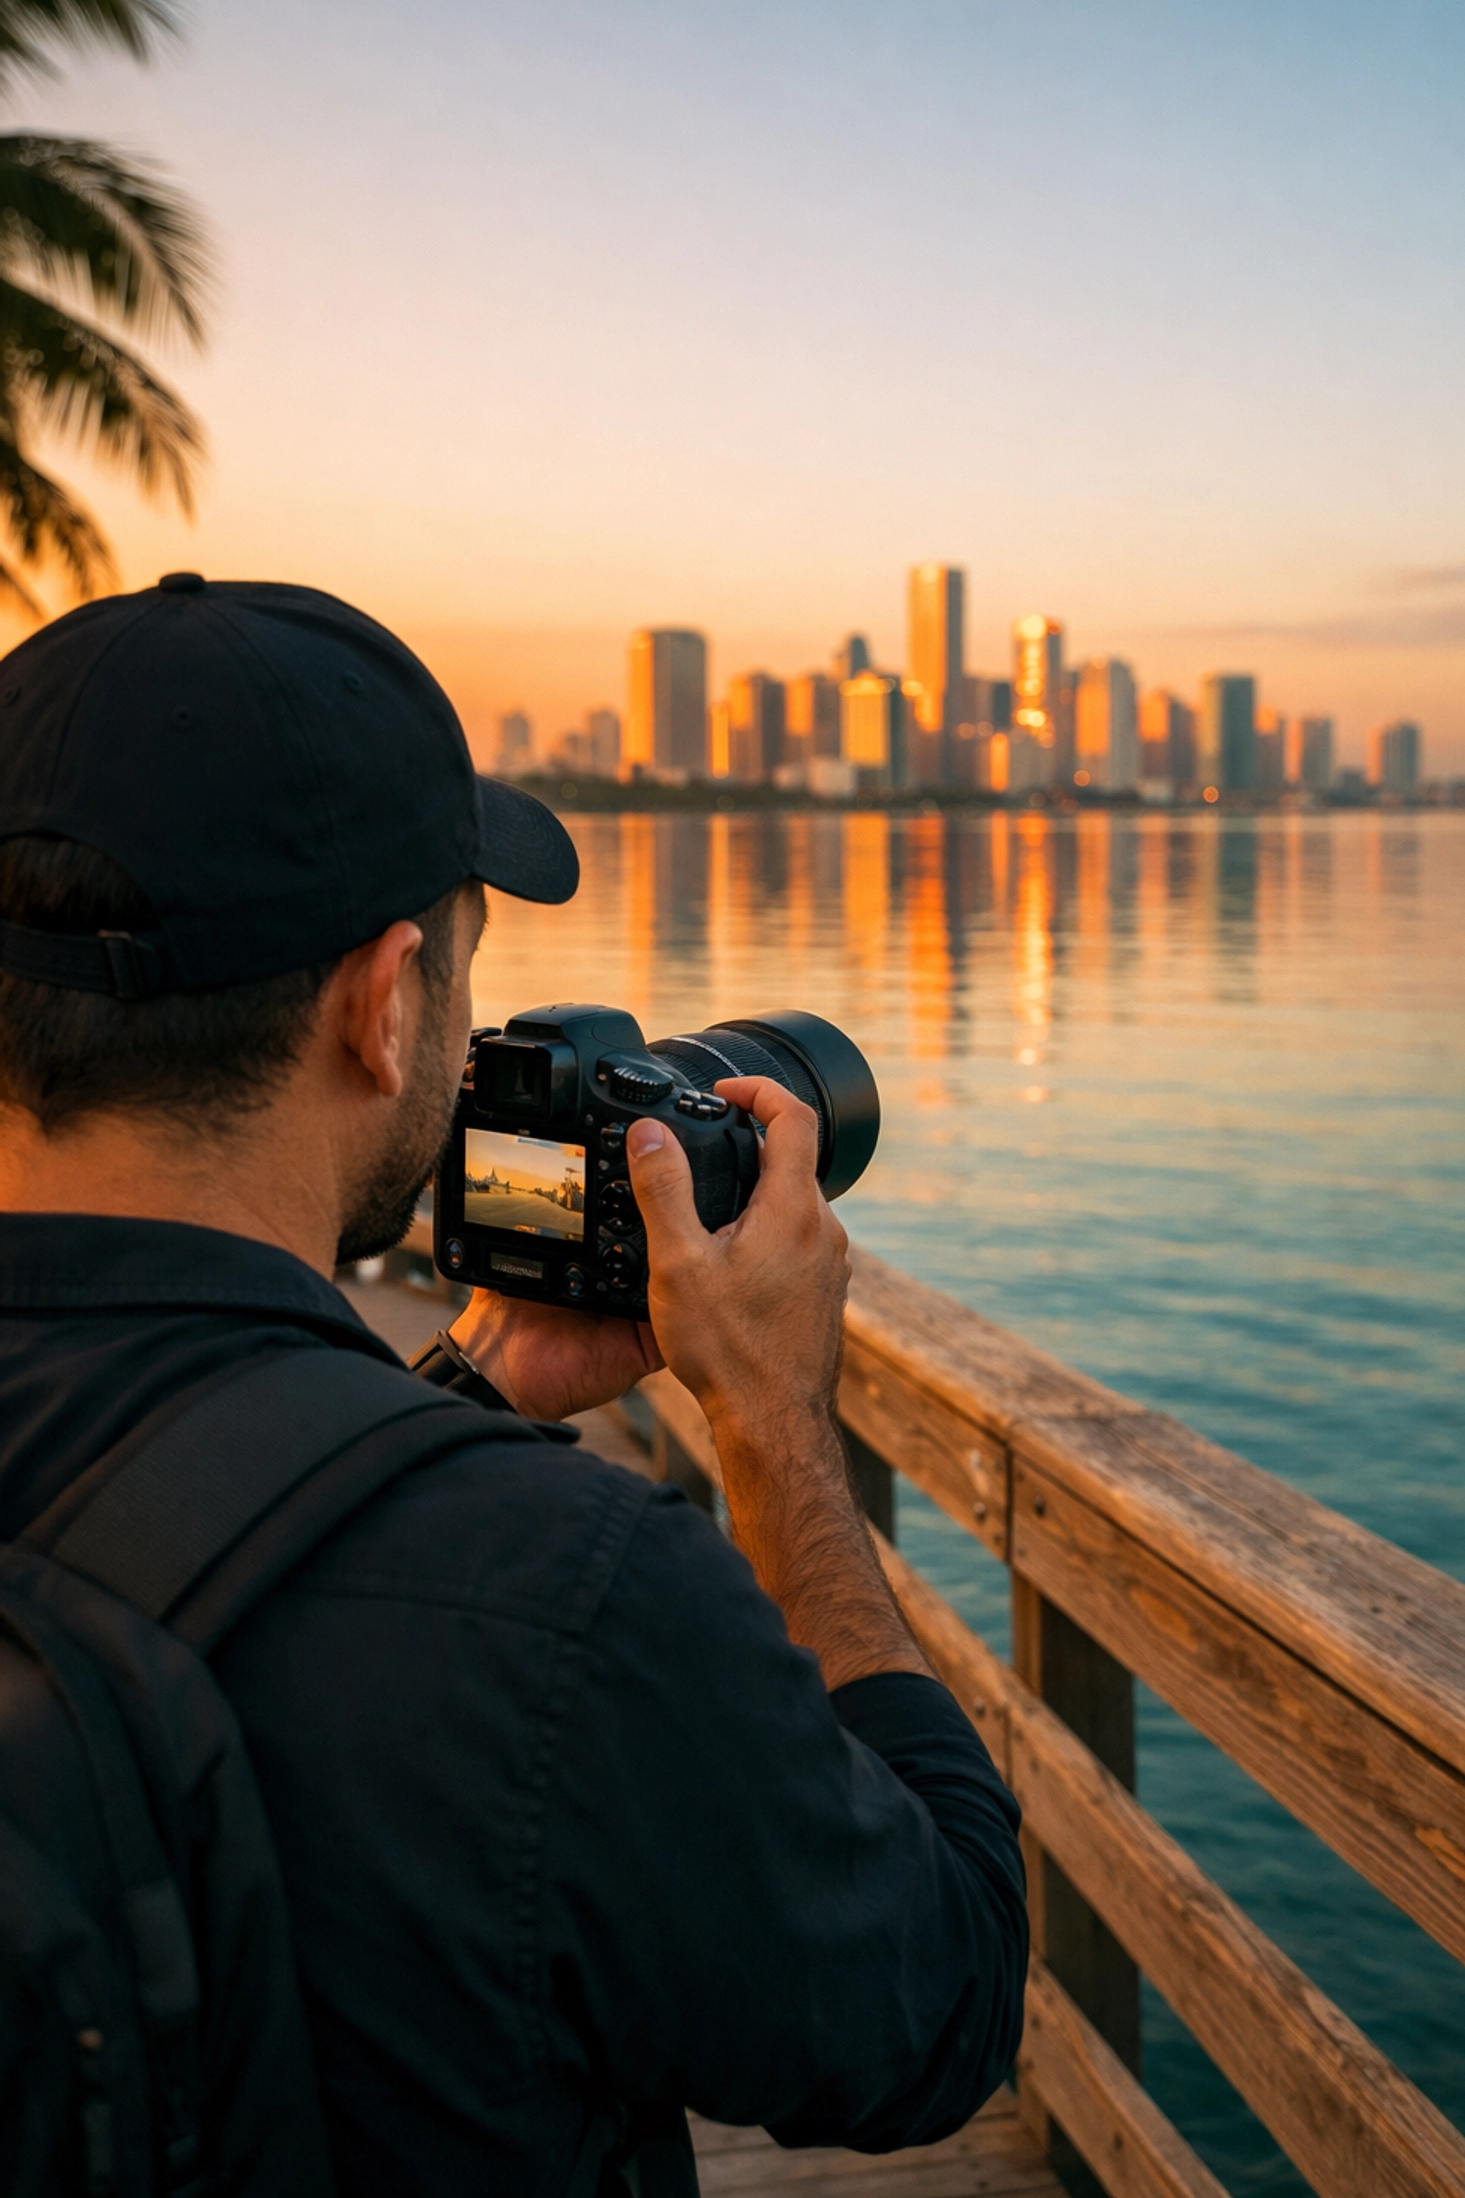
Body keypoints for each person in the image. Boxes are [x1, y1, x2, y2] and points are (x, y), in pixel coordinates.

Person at [0, 577, 1027, 2196]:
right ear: (385, 1003)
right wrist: (770, 1428)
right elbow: (940, 2003)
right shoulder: (570, 1609)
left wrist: (466, 1389)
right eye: (467, 974)